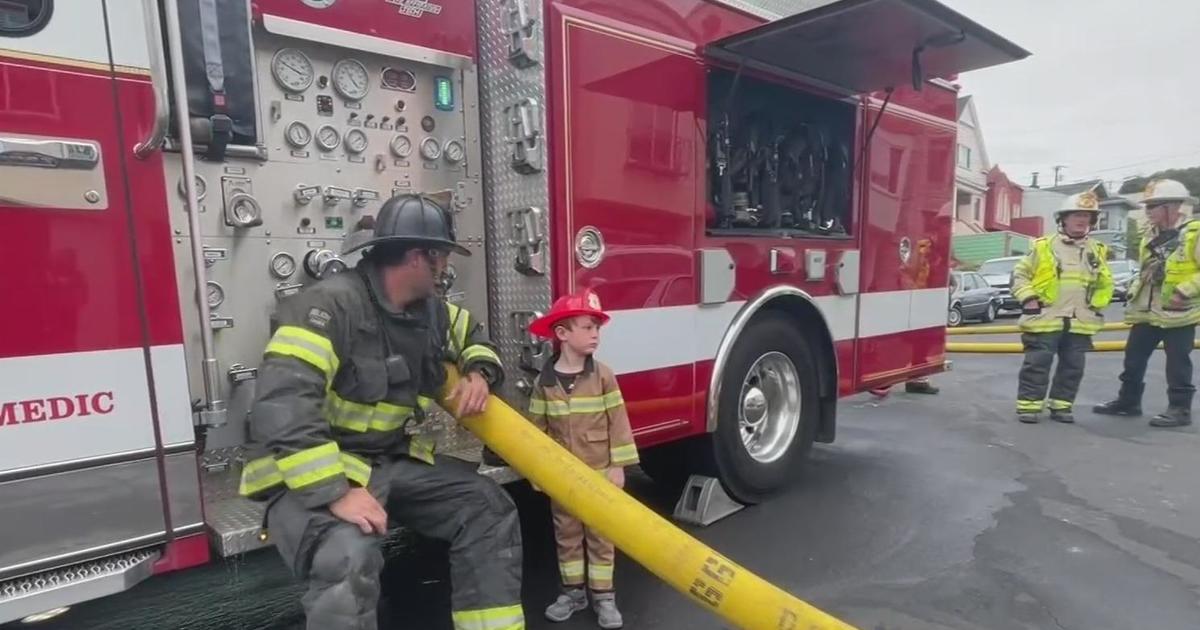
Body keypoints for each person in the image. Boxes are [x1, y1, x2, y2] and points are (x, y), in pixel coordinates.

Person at [238, 192, 525, 630]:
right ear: (417, 257)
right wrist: (336, 492)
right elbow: (283, 406)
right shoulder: (327, 308)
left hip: (384, 463)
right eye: (442, 257)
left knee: (487, 508)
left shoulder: (432, 314)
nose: (446, 268)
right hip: (311, 474)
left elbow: (474, 335)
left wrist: (480, 371)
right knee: (347, 555)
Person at [525, 288, 638, 629]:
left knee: (602, 535)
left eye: (597, 328)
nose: (595, 334)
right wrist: (538, 471)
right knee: (567, 535)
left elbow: (618, 423)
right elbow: (536, 432)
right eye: (587, 327)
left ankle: (604, 597)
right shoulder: (544, 383)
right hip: (564, 479)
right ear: (561, 334)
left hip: (600, 474)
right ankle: (573, 594)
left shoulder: (603, 376)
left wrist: (618, 466)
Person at [1094, 178, 1200, 427]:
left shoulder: (1194, 234)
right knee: (1133, 357)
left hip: (1177, 311)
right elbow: (1146, 273)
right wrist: (1133, 292)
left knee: (1177, 362)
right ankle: (1128, 401)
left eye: (1153, 206)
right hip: (1147, 310)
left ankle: (1179, 410)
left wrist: (1184, 291)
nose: (1147, 211)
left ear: (1173, 207)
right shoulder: (1148, 237)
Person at [1011, 191, 1113, 424]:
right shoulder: (1043, 247)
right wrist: (1029, 299)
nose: (1082, 220)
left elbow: (1104, 283)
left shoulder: (1097, 250)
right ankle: (1029, 407)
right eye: (1077, 214)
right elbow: (1019, 275)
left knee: (1073, 368)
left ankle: (1061, 407)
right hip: (1046, 318)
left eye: (1087, 216)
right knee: (1037, 365)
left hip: (1080, 320)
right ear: (1063, 219)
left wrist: (1097, 304)